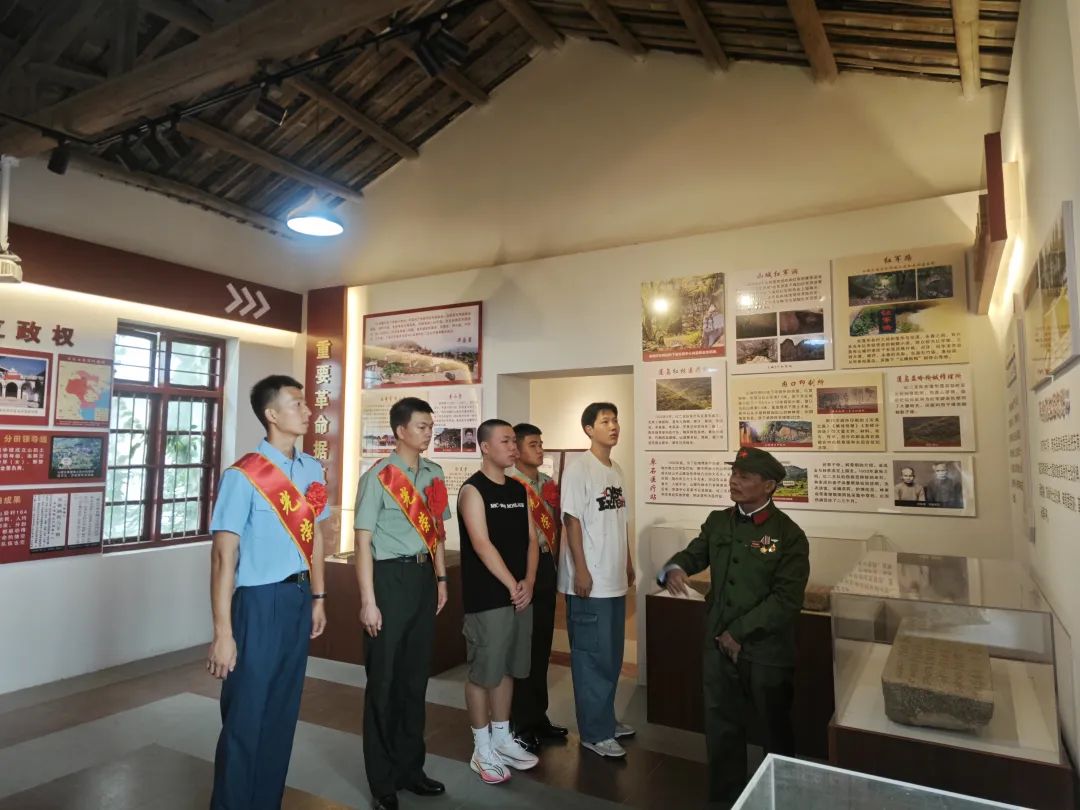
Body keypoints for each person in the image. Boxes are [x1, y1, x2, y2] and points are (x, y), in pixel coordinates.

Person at [206, 375, 330, 810]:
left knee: (281, 712)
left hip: (297, 599)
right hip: (257, 602)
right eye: (297, 404)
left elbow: (315, 537)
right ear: (272, 414)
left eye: (307, 403)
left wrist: (318, 597)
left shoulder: (312, 469)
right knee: (246, 713)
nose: (308, 411)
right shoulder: (243, 475)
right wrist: (223, 634)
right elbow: (223, 557)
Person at [660, 447, 810, 805]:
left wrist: (739, 633)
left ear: (769, 485)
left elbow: (787, 599)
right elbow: (695, 553)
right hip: (717, 645)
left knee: (774, 731)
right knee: (721, 728)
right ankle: (726, 799)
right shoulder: (718, 521)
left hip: (765, 650)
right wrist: (674, 567)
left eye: (745, 476)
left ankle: (780, 798)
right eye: (734, 474)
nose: (734, 481)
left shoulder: (788, 534)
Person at [354, 397, 452, 810]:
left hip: (423, 579)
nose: (429, 432)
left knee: (414, 681)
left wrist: (441, 578)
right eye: (422, 426)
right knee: (384, 682)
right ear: (400, 430)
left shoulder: (434, 473)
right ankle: (382, 781)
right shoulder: (378, 476)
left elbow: (438, 533)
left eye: (431, 426)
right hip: (388, 580)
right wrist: (368, 601)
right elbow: (362, 542)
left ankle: (411, 769)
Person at [458, 419, 540, 783]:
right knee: (483, 673)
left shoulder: (518, 489)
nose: (513, 447)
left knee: (508, 667)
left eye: (514, 441)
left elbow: (532, 540)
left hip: (519, 594)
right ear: (485, 447)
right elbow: (481, 544)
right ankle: (481, 749)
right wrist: (512, 584)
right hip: (489, 597)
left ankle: (503, 738)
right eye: (505, 441)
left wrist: (529, 582)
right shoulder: (472, 490)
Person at [558, 402, 636, 758]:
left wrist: (628, 561)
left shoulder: (615, 469)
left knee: (611, 656)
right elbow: (571, 520)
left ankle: (605, 720)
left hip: (613, 577)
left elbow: (620, 521)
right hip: (590, 582)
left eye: (615, 420)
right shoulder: (579, 469)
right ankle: (594, 733)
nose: (613, 426)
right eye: (605, 421)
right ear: (589, 429)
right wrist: (582, 569)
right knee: (591, 657)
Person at [508, 422, 568, 751]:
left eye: (541, 443)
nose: (541, 449)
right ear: (516, 449)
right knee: (523, 648)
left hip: (546, 565)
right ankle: (520, 722)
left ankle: (538, 716)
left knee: (543, 643)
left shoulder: (546, 483)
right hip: (520, 569)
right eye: (533, 444)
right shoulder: (509, 483)